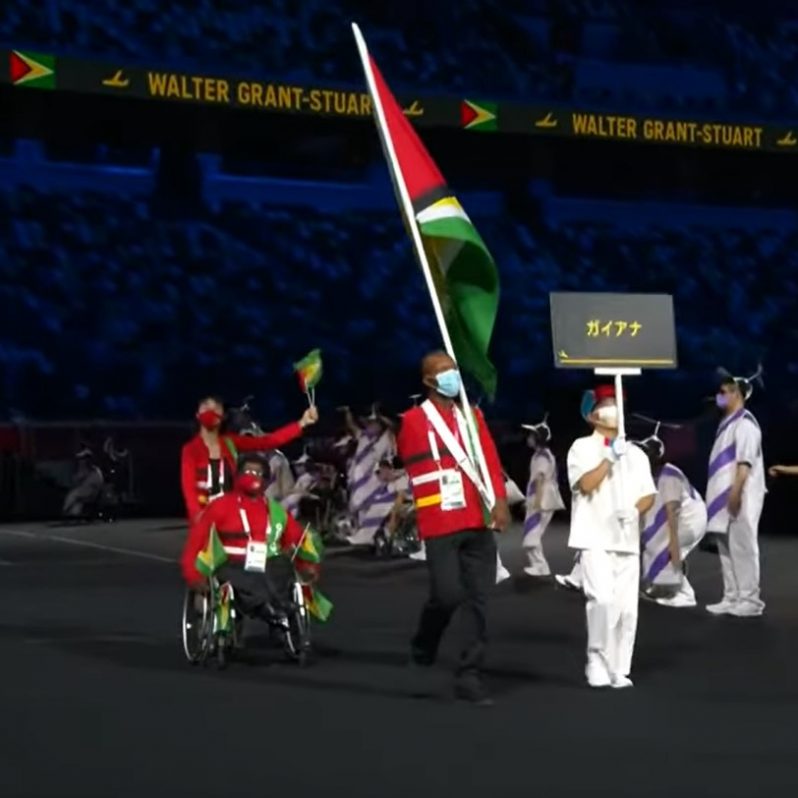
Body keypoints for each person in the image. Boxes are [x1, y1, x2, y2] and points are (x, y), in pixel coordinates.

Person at [398, 351, 509, 705]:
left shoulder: (473, 415)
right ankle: (425, 641)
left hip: (477, 518)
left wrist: (500, 502)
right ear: (428, 380)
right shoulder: (413, 421)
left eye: (453, 369)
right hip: (441, 519)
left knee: (478, 601)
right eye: (442, 371)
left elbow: (490, 460)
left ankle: (470, 674)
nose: (451, 375)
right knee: (447, 595)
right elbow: (411, 464)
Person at [567, 384, 656, 689]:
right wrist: (608, 458)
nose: (613, 410)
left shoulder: (637, 454)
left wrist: (635, 511)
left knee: (626, 608)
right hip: (593, 536)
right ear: (592, 415)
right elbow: (586, 485)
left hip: (626, 539)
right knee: (602, 600)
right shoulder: (580, 447)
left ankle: (619, 667)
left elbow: (648, 494)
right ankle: (596, 659)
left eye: (616, 403)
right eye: (606, 404)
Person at [180, 453, 319, 620]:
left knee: (282, 566)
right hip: (231, 562)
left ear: (267, 481)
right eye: (248, 472)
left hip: (266, 561)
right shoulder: (220, 506)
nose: (253, 477)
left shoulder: (275, 511)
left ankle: (276, 608)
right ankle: (268, 605)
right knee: (246, 575)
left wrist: (308, 566)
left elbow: (298, 540)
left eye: (259, 474)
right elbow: (196, 543)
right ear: (237, 476)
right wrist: (194, 576)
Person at [180, 395, 318, 523]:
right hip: (205, 517)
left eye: (216, 408)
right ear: (197, 414)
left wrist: (302, 423)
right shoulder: (191, 450)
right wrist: (197, 514)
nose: (210, 411)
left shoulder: (230, 443)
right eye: (206, 407)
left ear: (222, 417)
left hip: (231, 515)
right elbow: (189, 487)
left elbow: (269, 441)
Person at [705, 369, 766, 617]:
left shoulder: (745, 424)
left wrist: (736, 492)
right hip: (723, 497)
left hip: (740, 495)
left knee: (742, 546)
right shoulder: (726, 425)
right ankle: (731, 597)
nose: (718, 396)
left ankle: (750, 600)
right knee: (726, 548)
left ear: (736, 394)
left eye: (723, 392)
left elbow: (745, 462)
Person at [635, 431, 707, 608]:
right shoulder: (654, 476)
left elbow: (671, 511)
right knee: (658, 544)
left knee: (665, 547)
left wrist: (671, 543)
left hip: (690, 521)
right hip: (685, 519)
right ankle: (668, 588)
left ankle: (684, 594)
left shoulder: (668, 477)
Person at [520, 416, 565, 576]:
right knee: (531, 535)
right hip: (539, 498)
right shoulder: (541, 454)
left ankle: (540, 566)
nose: (529, 438)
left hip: (542, 500)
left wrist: (537, 502)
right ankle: (538, 565)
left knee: (532, 535)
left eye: (531, 435)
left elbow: (539, 479)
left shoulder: (542, 457)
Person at [343, 404, 396, 526]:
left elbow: (393, 427)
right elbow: (352, 425)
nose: (369, 425)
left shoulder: (385, 439)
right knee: (359, 505)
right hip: (359, 478)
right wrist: (348, 413)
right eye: (368, 423)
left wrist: (381, 416)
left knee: (373, 507)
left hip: (376, 478)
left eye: (373, 423)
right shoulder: (363, 436)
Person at [347, 458, 410, 546]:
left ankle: (365, 537)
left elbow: (400, 498)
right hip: (394, 501)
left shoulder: (401, 479)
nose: (382, 472)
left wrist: (393, 517)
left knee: (379, 507)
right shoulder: (389, 481)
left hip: (406, 503)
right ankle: (368, 535)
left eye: (385, 469)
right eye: (381, 469)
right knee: (368, 505)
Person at [63, 446, 105, 518]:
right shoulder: (83, 469)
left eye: (83, 459)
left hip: (91, 491)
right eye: (81, 459)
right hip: (84, 493)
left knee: (72, 495)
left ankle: (65, 511)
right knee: (75, 507)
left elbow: (97, 483)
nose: (81, 461)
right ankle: (73, 514)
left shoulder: (94, 471)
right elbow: (75, 480)